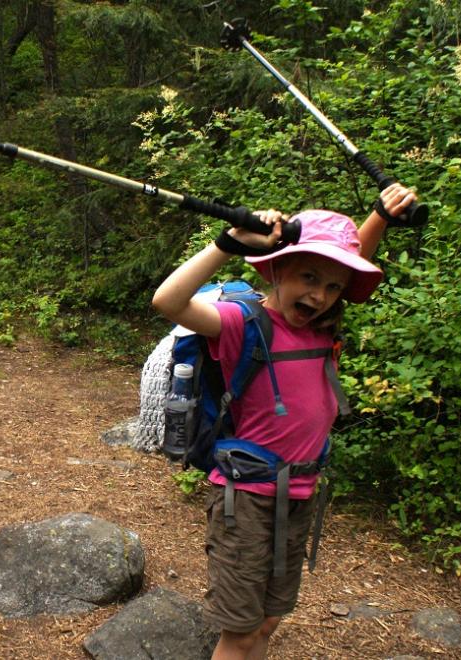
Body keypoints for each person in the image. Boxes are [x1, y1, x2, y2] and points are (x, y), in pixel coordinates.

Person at [151, 183, 417, 659]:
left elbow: (349, 266)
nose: (319, 295)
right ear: (276, 269)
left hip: (299, 495)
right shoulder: (242, 324)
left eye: (332, 287)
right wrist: (227, 243)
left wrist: (378, 215)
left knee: (269, 621)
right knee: (240, 631)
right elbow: (168, 303)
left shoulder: (322, 324)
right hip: (246, 501)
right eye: (309, 278)